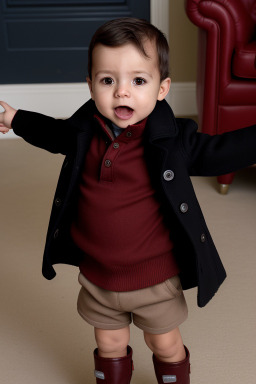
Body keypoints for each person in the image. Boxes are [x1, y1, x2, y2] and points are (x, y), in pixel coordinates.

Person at [0, 17, 256, 384]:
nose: (122, 92)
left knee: (164, 343)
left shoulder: (173, 140)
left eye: (138, 80)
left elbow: (218, 151)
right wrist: (17, 119)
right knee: (109, 342)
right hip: (98, 277)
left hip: (154, 279)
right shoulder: (84, 128)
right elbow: (55, 133)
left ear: (162, 88)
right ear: (90, 86)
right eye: (108, 80)